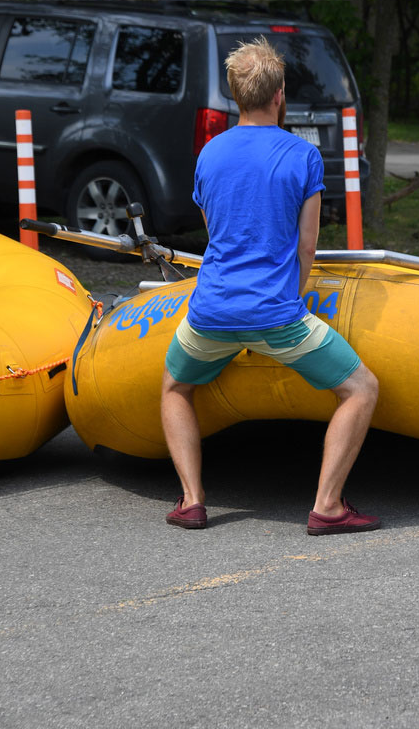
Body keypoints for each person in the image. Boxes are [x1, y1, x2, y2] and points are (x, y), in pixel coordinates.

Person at [160, 37, 381, 536]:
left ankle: (193, 501)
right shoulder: (303, 156)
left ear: (235, 95)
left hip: (210, 312)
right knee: (361, 388)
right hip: (277, 316)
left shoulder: (210, 154)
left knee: (175, 387)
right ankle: (327, 505)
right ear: (279, 94)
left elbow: (217, 232)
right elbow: (307, 248)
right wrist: (290, 300)